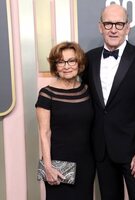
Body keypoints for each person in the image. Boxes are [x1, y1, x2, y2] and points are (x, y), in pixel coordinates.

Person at [84, 4, 135, 200]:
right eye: (108, 23)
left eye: (119, 23)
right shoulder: (89, 59)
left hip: (134, 152)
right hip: (102, 150)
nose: (113, 29)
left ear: (128, 27)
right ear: (100, 26)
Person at [35, 41, 95, 200]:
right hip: (58, 164)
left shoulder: (87, 90)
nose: (66, 66)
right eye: (60, 62)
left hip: (86, 163)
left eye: (71, 61)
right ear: (55, 66)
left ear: (79, 63)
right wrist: (48, 166)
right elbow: (44, 132)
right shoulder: (46, 94)